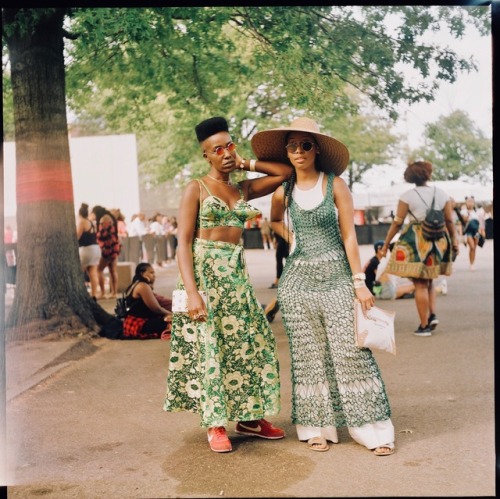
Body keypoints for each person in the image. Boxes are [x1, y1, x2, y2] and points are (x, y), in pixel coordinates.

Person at [252, 116, 395, 456]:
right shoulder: (283, 190)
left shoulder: (335, 185)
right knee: (309, 356)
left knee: (350, 352)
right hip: (297, 282)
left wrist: (359, 281)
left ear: (316, 149)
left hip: (337, 277)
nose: (298, 151)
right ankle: (316, 428)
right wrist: (294, 237)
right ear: (286, 152)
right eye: (292, 146)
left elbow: (349, 234)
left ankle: (372, 432)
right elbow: (273, 220)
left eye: (305, 145)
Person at [163, 116, 292, 453]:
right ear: (206, 155)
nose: (225, 153)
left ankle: (250, 419)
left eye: (229, 145)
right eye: (216, 149)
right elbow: (182, 244)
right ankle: (215, 423)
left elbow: (285, 173)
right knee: (211, 349)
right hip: (204, 277)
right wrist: (192, 293)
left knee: (253, 344)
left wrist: (247, 163)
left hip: (236, 277)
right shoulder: (197, 187)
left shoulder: (242, 188)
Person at [380, 160, 458, 336]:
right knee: (429, 280)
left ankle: (424, 326)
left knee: (420, 284)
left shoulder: (407, 196)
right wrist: (454, 241)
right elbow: (449, 221)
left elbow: (397, 223)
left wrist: (386, 244)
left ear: (410, 177)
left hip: (417, 240)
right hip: (438, 240)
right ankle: (432, 315)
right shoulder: (442, 193)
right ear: (428, 174)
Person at [122, 263, 172, 339]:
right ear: (142, 273)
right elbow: (156, 309)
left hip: (134, 322)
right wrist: (172, 314)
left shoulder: (136, 284)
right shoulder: (142, 286)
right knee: (174, 322)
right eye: (151, 273)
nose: (154, 275)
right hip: (138, 325)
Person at [92, 205, 121, 299]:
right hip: (114, 247)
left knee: (99, 270)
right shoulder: (110, 217)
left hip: (107, 248)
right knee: (113, 270)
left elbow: (102, 233)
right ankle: (114, 292)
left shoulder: (103, 219)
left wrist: (96, 235)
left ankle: (103, 292)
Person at [76, 203, 100, 299]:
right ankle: (94, 294)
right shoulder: (92, 223)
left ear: (79, 213)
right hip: (95, 248)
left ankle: (82, 294)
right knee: (93, 273)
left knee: (79, 272)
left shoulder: (82, 222)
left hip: (85, 249)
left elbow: (77, 237)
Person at [460, 196, 485, 271]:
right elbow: (463, 220)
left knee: (474, 248)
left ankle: (472, 264)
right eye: (468, 201)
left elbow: (481, 222)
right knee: (472, 246)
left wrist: (482, 231)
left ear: (474, 203)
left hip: (476, 231)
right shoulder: (464, 211)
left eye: (471, 201)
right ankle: (471, 263)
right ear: (466, 202)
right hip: (468, 231)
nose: (470, 203)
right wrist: (466, 212)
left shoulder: (478, 211)